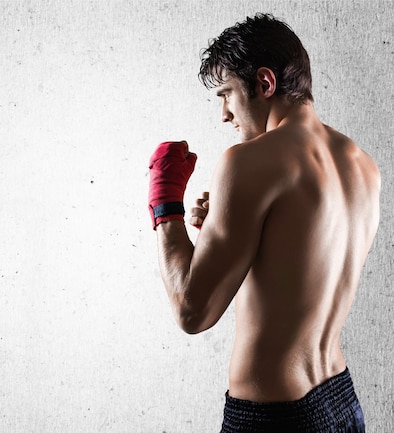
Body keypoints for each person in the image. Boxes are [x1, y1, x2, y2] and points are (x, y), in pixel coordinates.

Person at [147, 13, 380, 432]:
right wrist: (226, 225)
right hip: (342, 403)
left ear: (265, 83)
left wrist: (165, 205)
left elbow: (192, 312)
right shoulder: (362, 165)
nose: (224, 115)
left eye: (226, 95)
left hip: (276, 418)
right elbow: (294, 266)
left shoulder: (248, 161)